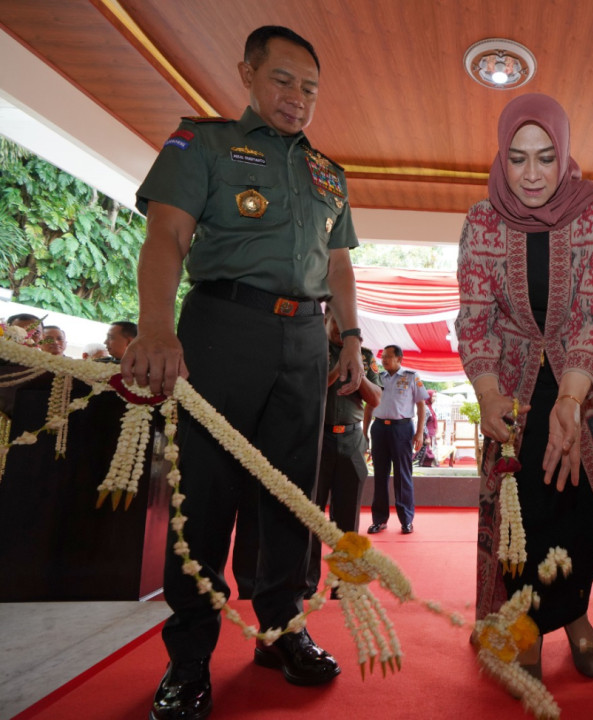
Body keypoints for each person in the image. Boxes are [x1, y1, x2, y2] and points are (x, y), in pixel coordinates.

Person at [122, 25, 363, 720]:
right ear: (249, 75)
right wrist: (157, 328)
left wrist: (350, 338)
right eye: (284, 80)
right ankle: (189, 658)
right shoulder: (205, 144)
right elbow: (166, 234)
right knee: (207, 493)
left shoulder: (329, 175)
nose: (297, 98)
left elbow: (340, 264)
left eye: (310, 88)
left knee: (291, 496)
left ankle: (281, 633)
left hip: (306, 341)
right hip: (223, 328)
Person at [455, 93, 593, 681]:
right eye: (517, 158)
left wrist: (569, 397)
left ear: (564, 155)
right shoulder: (481, 221)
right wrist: (488, 396)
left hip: (588, 390)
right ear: (501, 158)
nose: (532, 173)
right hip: (511, 391)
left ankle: (578, 616)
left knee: (584, 507)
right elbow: (475, 317)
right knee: (526, 507)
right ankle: (530, 623)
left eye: (545, 157)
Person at [307, 317, 382, 597]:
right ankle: (307, 583)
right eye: (335, 323)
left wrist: (358, 372)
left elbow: (375, 399)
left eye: (346, 324)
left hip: (351, 440)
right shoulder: (314, 347)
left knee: (348, 517)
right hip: (317, 439)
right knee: (312, 514)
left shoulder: (365, 356)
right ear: (325, 321)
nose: (340, 329)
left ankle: (344, 583)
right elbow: (310, 389)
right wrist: (339, 368)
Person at [364, 345, 425, 534]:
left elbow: (421, 406)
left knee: (402, 475)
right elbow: (368, 406)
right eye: (383, 357)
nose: (384, 360)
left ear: (400, 359)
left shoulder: (411, 377)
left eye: (388, 357)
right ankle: (379, 520)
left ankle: (406, 520)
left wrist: (420, 433)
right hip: (379, 428)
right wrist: (364, 432)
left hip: (403, 429)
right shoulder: (377, 378)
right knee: (380, 475)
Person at [414, 389, 439, 467]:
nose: (434, 398)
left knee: (432, 458)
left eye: (435, 396)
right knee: (426, 457)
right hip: (427, 436)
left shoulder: (430, 408)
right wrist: (427, 437)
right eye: (433, 396)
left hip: (432, 436)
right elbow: (423, 424)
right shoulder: (426, 409)